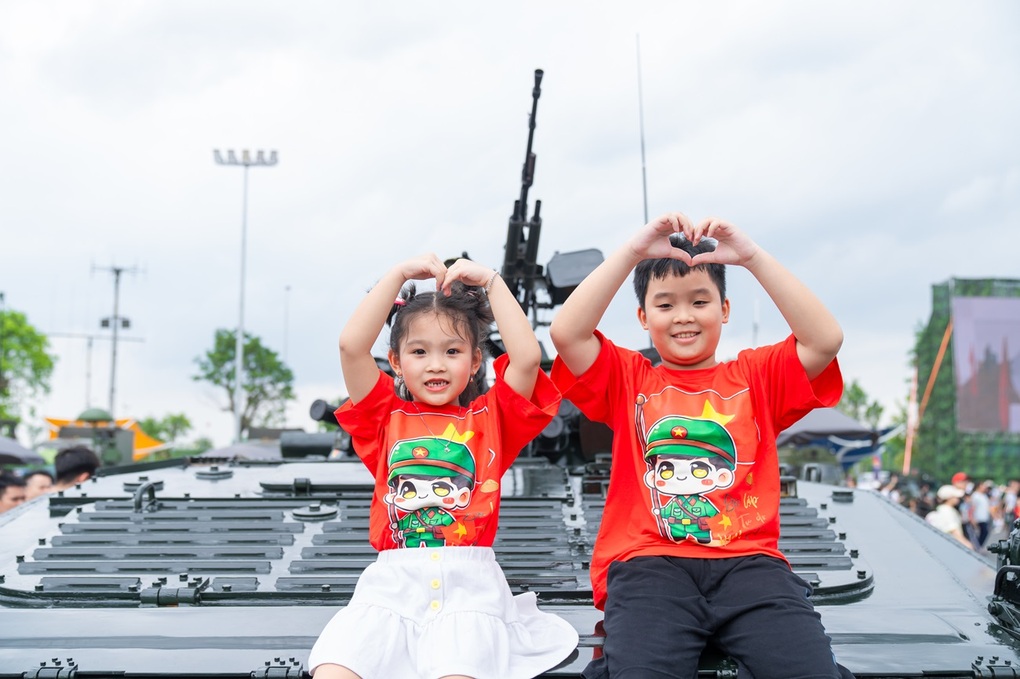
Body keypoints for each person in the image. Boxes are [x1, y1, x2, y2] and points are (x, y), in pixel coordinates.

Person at [549, 213, 850, 679]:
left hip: (750, 568)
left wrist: (751, 257)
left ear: (724, 310)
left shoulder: (756, 377)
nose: (684, 315)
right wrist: (632, 252)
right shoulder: (630, 378)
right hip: (650, 567)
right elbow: (567, 333)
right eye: (665, 305)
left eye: (700, 300)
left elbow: (825, 339)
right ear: (643, 317)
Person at [308, 254, 577, 679]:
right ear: (396, 362)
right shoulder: (383, 417)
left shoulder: (492, 421)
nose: (436, 363)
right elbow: (351, 346)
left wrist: (491, 281)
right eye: (419, 351)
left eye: (452, 351)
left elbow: (526, 358)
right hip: (390, 591)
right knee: (334, 670)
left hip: (470, 594)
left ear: (474, 362)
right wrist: (396, 275)